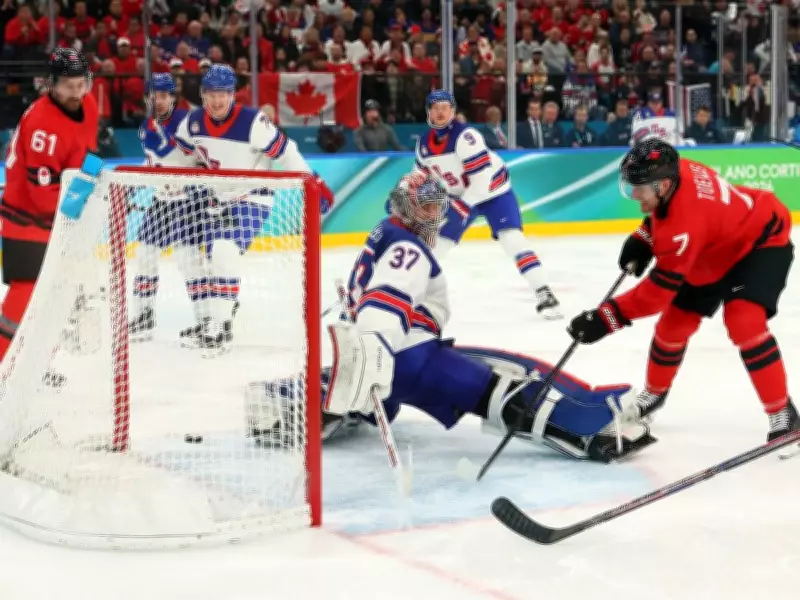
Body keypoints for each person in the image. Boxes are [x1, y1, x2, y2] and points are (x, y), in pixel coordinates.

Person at [247, 178, 655, 462]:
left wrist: (367, 359)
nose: (435, 215)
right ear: (406, 206)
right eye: (426, 206)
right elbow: (386, 302)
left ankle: (302, 399)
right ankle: (592, 429)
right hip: (409, 359)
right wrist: (375, 353)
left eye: (437, 207)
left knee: (391, 401)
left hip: (395, 359)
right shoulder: (408, 248)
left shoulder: (386, 231)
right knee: (502, 387)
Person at [566, 138, 796, 442]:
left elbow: (656, 295)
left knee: (744, 322)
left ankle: (783, 413)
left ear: (662, 185)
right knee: (673, 326)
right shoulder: (677, 172)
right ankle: (655, 393)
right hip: (714, 247)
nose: (634, 195)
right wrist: (645, 237)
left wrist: (607, 317)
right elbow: (667, 216)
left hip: (760, 243)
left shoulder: (684, 226)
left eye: (640, 188)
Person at [173, 64, 335, 350]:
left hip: (252, 196)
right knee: (190, 255)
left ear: (233, 95)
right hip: (215, 199)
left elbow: (287, 153)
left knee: (224, 251)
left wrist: (314, 181)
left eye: (222, 94)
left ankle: (221, 326)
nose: (216, 101)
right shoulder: (192, 122)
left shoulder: (253, 122)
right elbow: (184, 155)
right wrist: (181, 178)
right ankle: (212, 316)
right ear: (203, 95)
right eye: (211, 94)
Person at [408, 90, 563, 320]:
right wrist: (406, 192)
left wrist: (463, 206)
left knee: (512, 239)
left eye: (445, 108)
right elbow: (420, 176)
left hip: (494, 192)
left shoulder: (466, 137)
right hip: (460, 196)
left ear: (453, 112)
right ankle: (408, 293)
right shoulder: (422, 144)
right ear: (428, 112)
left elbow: (482, 180)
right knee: (437, 244)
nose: (440, 113)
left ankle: (544, 291)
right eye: (435, 108)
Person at [0, 48, 99, 384]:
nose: (76, 92)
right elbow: (42, 199)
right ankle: (3, 366)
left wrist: (91, 185)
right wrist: (84, 201)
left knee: (56, 294)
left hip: (59, 218)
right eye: (68, 86)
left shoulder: (89, 104)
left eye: (81, 84)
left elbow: (87, 154)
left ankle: (36, 363)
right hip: (25, 220)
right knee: (25, 294)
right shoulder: (41, 125)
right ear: (51, 84)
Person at [129, 72, 214, 343]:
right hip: (162, 200)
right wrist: (133, 187)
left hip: (189, 199)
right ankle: (144, 316)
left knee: (188, 258)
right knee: (144, 253)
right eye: (153, 96)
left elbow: (187, 155)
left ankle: (206, 320)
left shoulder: (187, 122)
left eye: (164, 96)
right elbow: (153, 162)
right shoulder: (146, 127)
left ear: (172, 98)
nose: (159, 101)